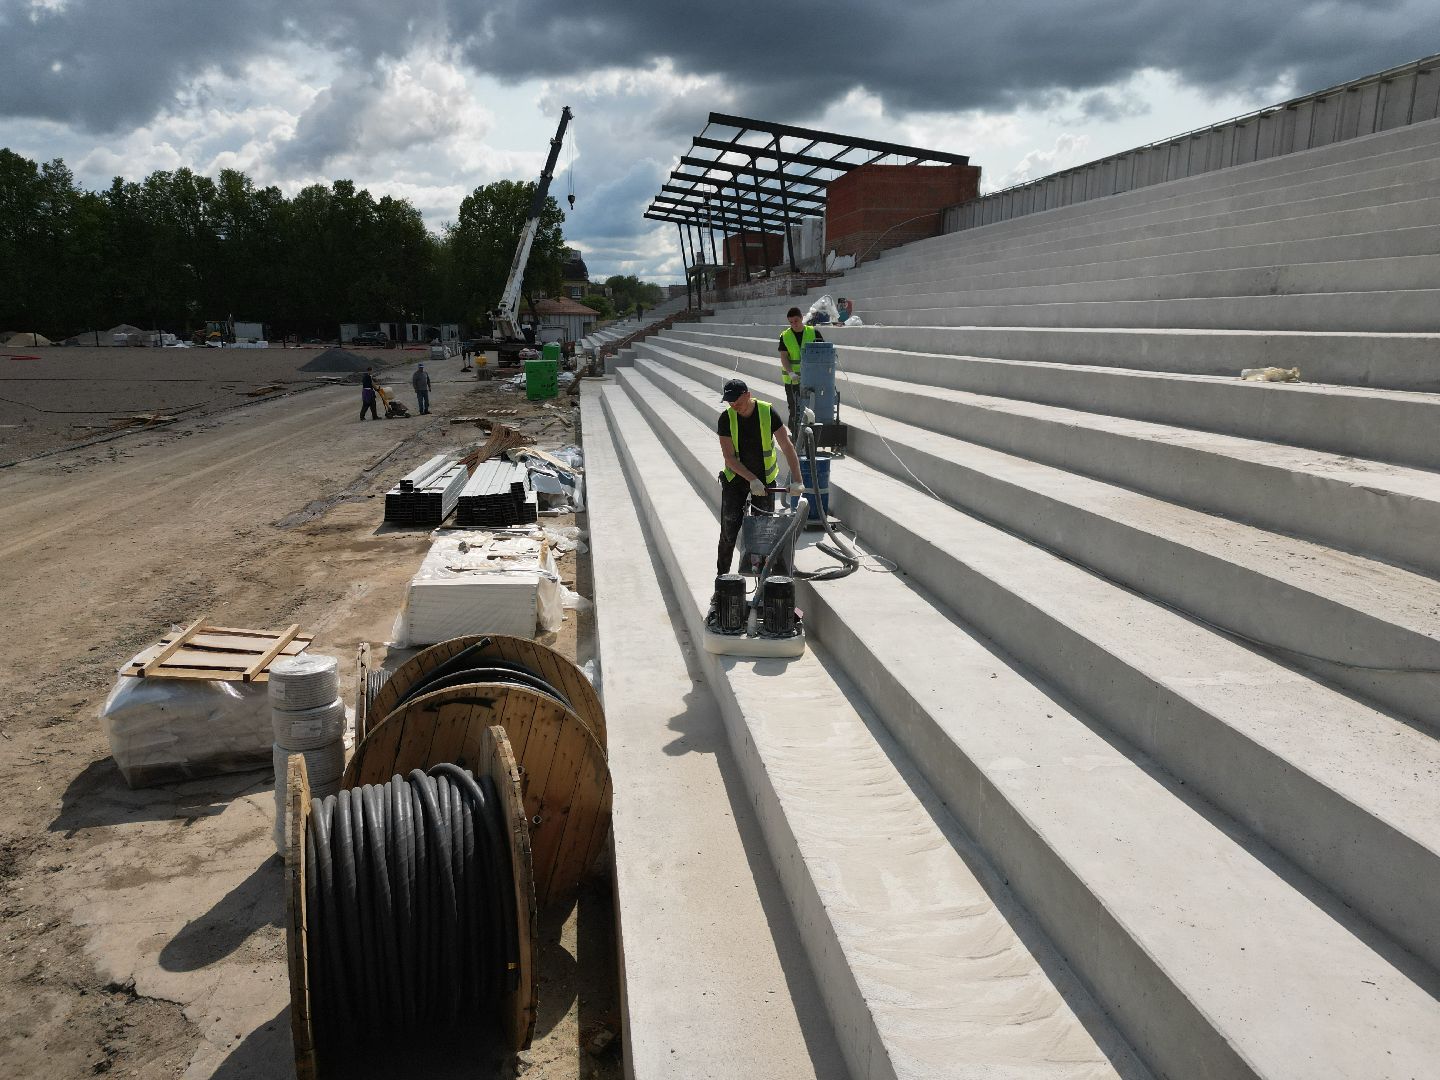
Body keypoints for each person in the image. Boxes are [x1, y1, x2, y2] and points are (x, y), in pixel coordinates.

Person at [713, 379, 804, 593]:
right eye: (729, 401)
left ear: (747, 394)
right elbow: (729, 458)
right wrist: (750, 479)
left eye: (736, 400)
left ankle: (761, 586)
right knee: (728, 530)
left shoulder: (767, 413)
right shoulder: (726, 418)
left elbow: (787, 447)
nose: (733, 405)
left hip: (765, 482)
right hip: (736, 479)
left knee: (764, 534)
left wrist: (798, 480)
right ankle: (721, 582)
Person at [777, 307, 823, 428]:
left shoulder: (813, 332)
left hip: (811, 378)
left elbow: (822, 354)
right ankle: (795, 435)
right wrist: (791, 373)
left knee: (812, 407)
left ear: (802, 318)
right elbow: (784, 357)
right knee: (794, 408)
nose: (794, 324)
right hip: (792, 380)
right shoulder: (785, 335)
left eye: (796, 321)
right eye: (791, 322)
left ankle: (810, 433)